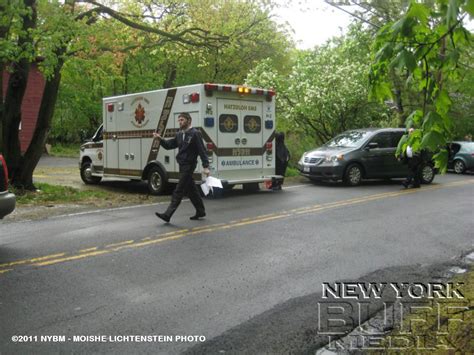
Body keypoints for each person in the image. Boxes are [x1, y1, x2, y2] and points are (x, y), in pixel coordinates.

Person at [153, 112, 210, 222]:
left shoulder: (195, 133)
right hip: (182, 165)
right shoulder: (179, 134)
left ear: (189, 121)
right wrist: (160, 140)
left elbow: (202, 151)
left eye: (182, 120)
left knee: (178, 190)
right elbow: (170, 145)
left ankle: (167, 214)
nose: (180, 122)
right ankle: (200, 211)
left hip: (189, 165)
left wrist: (206, 166)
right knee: (191, 189)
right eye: (179, 120)